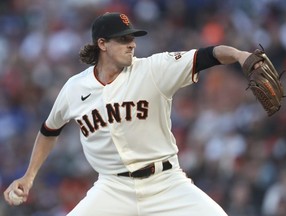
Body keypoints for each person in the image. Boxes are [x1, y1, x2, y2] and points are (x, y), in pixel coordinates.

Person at [4, 12, 253, 216]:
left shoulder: (153, 70)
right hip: (113, 188)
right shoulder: (74, 88)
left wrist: (240, 55)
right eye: (123, 39)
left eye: (132, 38)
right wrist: (29, 176)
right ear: (102, 44)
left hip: (166, 182)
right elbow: (49, 130)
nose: (132, 43)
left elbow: (208, 55)